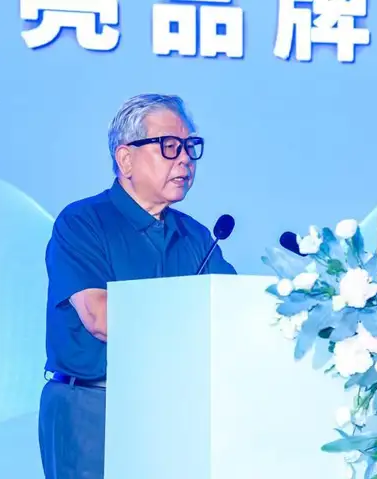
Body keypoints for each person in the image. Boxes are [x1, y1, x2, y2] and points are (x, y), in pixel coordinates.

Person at [38, 93, 236, 478]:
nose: (184, 159)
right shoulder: (83, 222)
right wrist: (191, 322)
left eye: (190, 147)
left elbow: (230, 312)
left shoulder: (196, 236)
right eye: (169, 146)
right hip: (92, 407)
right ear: (126, 159)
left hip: (174, 408)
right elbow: (100, 317)